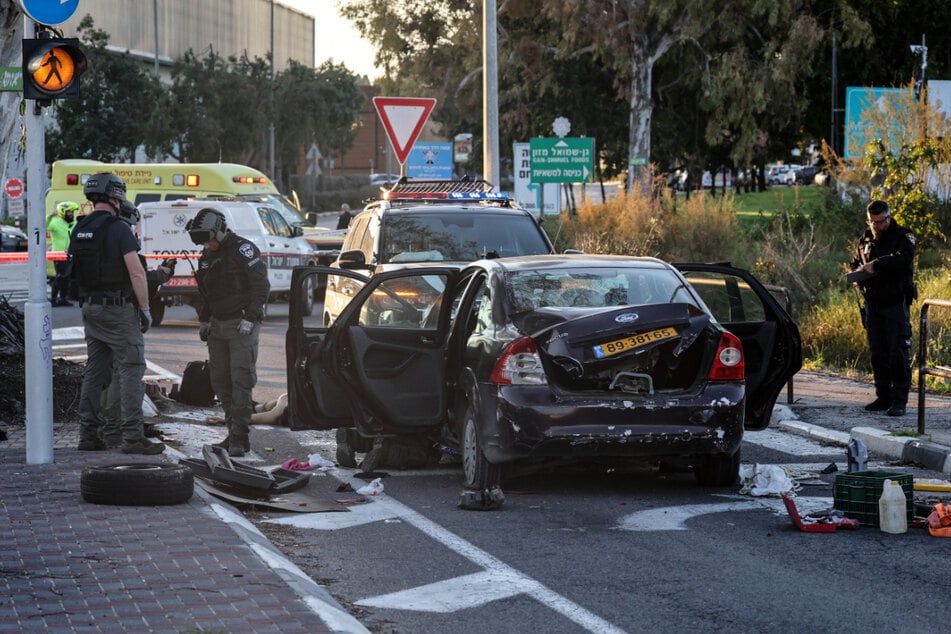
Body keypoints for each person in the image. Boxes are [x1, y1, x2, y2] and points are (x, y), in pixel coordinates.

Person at [68, 173, 165, 454]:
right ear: (115, 196)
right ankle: (133, 438)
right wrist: (145, 309)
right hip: (116, 309)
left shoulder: (80, 227)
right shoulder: (118, 228)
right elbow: (136, 272)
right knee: (132, 368)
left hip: (90, 308)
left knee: (95, 372)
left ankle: (88, 436)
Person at [187, 208, 269, 457]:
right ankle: (232, 431)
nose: (207, 246)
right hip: (217, 325)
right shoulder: (207, 254)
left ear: (220, 232)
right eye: (203, 242)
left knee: (241, 382)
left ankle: (239, 438)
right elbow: (206, 292)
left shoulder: (244, 250)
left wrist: (251, 317)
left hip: (241, 326)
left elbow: (261, 285)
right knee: (220, 382)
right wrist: (203, 320)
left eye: (209, 240)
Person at [98, 202, 176, 448]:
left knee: (106, 374)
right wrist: (162, 275)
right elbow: (139, 276)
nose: (136, 231)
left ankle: (106, 432)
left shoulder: (99, 240)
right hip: (122, 314)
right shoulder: (124, 242)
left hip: (97, 314)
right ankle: (131, 435)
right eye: (134, 225)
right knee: (129, 371)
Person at [849, 199, 917, 417]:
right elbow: (855, 260)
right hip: (873, 303)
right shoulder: (866, 238)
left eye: (879, 222)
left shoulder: (903, 236)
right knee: (877, 352)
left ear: (888, 217)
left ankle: (899, 400)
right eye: (871, 222)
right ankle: (883, 395)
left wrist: (876, 265)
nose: (875, 226)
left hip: (895, 302)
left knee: (897, 351)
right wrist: (857, 270)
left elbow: (903, 259)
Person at [47, 201, 77, 306]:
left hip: (69, 255)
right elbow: (44, 226)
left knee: (67, 278)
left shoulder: (73, 224)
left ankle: (63, 298)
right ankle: (53, 299)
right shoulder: (55, 223)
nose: (71, 214)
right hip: (58, 255)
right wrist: (49, 217)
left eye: (72, 212)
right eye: (69, 212)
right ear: (63, 212)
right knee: (60, 277)